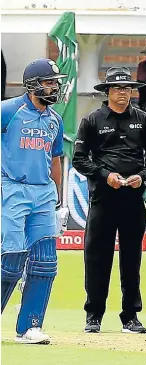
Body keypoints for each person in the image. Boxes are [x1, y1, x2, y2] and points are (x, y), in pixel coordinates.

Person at [72, 67, 146, 334]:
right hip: (103, 196)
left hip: (133, 198)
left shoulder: (143, 120)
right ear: (108, 91)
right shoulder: (92, 120)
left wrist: (142, 176)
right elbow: (79, 158)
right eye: (118, 89)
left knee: (131, 258)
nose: (123, 93)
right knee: (97, 257)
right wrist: (104, 175)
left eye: (127, 89)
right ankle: (94, 315)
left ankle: (130, 317)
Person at [1, 58, 69, 344]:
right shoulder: (8, 110)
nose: (54, 87)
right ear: (32, 84)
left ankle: (30, 326)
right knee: (11, 260)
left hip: (43, 194)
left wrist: (58, 199)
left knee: (45, 262)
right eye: (48, 82)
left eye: (55, 82)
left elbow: (55, 159)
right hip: (11, 187)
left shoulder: (54, 119)